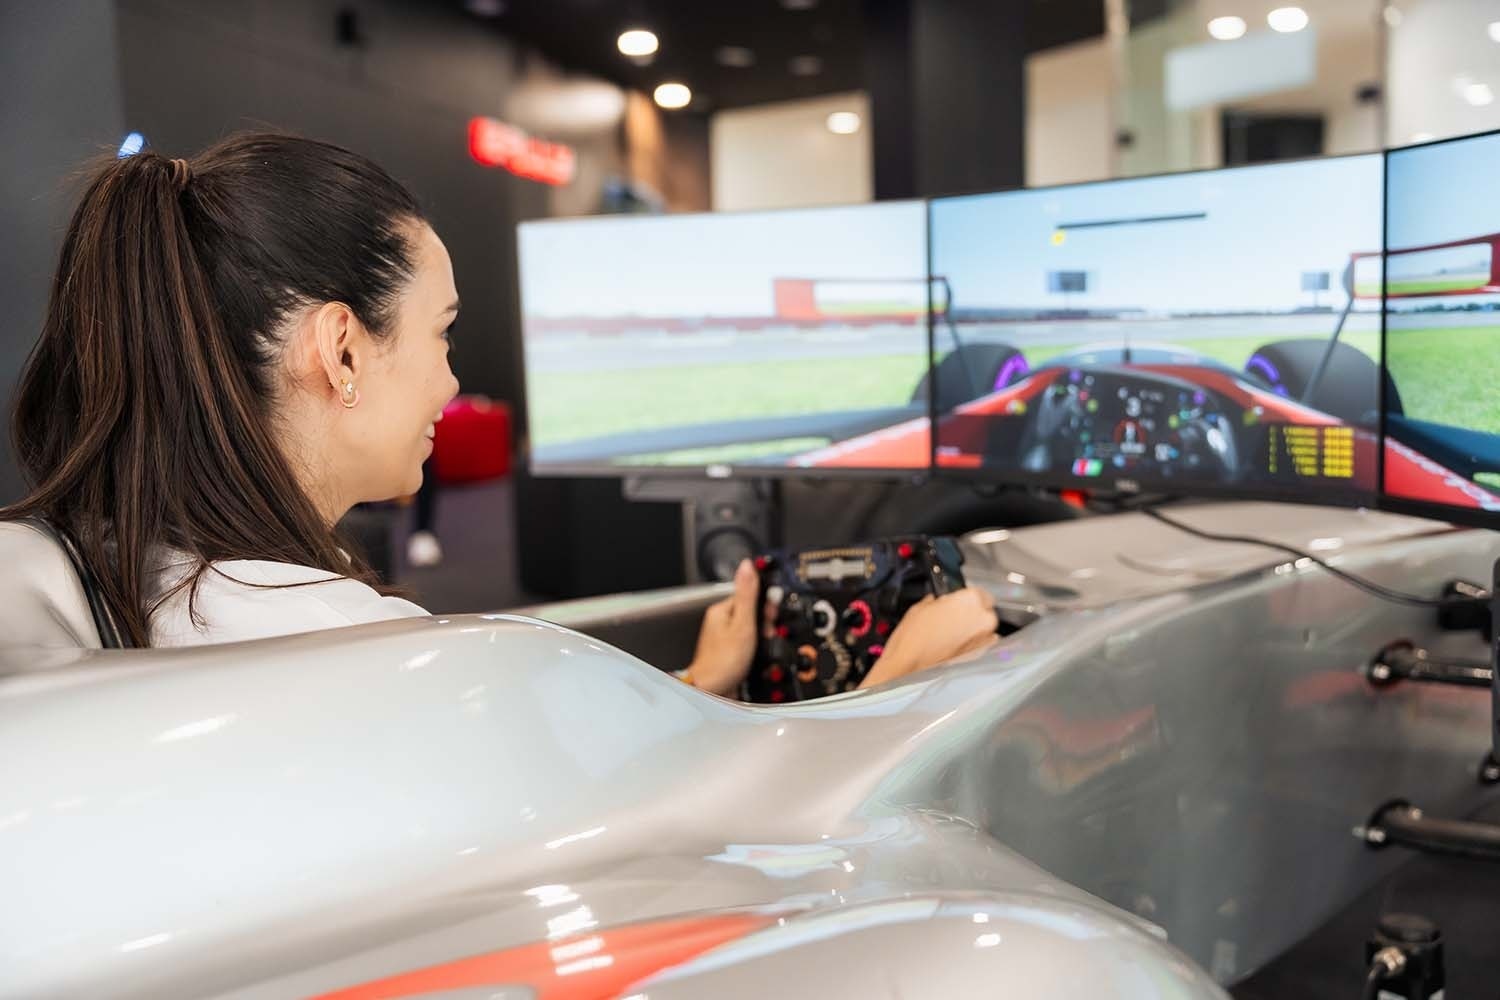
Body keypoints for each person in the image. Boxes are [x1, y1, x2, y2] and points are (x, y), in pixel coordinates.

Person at [2, 132, 999, 695]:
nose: (451, 383)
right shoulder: (375, 661)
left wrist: (700, 683)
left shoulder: (78, 569)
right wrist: (902, 680)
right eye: (441, 335)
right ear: (341, 350)